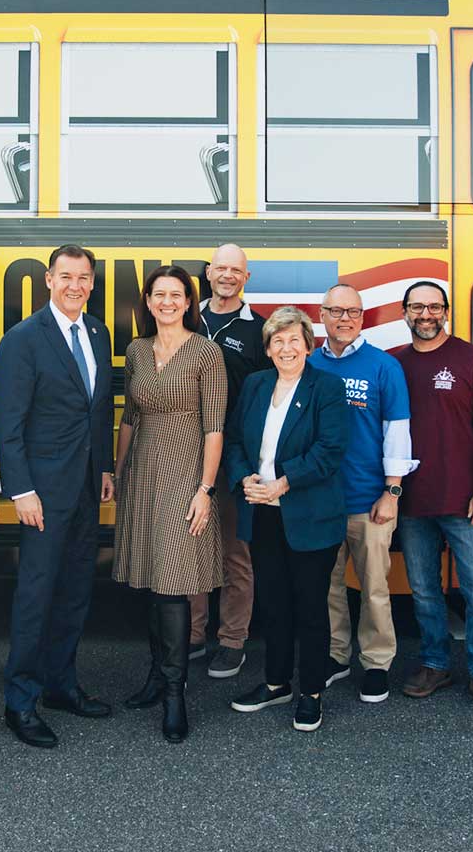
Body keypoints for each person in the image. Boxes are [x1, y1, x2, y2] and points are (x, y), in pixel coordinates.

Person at [0, 244, 116, 749]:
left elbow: (99, 408)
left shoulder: (97, 332)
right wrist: (20, 489)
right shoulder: (24, 339)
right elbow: (9, 421)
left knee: (75, 591)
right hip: (41, 492)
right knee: (36, 596)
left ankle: (61, 685)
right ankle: (19, 701)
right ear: (49, 280)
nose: (75, 285)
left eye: (83, 277)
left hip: (86, 486)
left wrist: (104, 466)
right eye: (66, 276)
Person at [114, 265, 229, 744]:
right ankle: (156, 676)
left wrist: (206, 489)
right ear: (148, 300)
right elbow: (130, 416)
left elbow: (214, 426)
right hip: (142, 472)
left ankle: (176, 694)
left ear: (189, 302)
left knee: (173, 584)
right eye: (159, 294)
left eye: (176, 295)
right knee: (147, 577)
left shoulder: (207, 351)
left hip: (185, 474)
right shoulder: (138, 351)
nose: (167, 302)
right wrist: (116, 473)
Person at [224, 307, 351, 733]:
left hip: (309, 514)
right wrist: (245, 478)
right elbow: (237, 439)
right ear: (267, 349)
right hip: (261, 511)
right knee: (273, 604)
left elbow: (330, 450)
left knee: (310, 607)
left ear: (308, 344)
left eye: (294, 339)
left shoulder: (327, 387)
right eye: (277, 341)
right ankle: (276, 682)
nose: (286, 348)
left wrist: (282, 483)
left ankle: (311, 692)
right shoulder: (258, 384)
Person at [389, 281, 473, 714]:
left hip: (466, 499)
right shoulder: (394, 364)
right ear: (404, 312)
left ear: (446, 311)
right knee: (423, 591)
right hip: (411, 500)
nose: (426, 314)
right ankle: (435, 663)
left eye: (434, 307)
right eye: (416, 306)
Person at [309, 283, 416, 705]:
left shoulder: (383, 367)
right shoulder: (309, 363)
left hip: (369, 499)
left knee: (373, 586)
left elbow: (398, 433)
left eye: (353, 312)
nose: (345, 319)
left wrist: (392, 491)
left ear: (363, 317)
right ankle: (337, 655)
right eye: (336, 311)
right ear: (322, 315)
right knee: (327, 585)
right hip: (320, 501)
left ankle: (376, 663)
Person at [189, 243, 269, 678]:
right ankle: (193, 635)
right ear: (207, 272)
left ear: (246, 278)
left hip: (236, 455)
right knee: (193, 545)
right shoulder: (186, 319)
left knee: (236, 552)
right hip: (188, 453)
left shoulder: (258, 330)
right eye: (220, 268)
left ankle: (233, 640)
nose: (227, 276)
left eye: (235, 270)